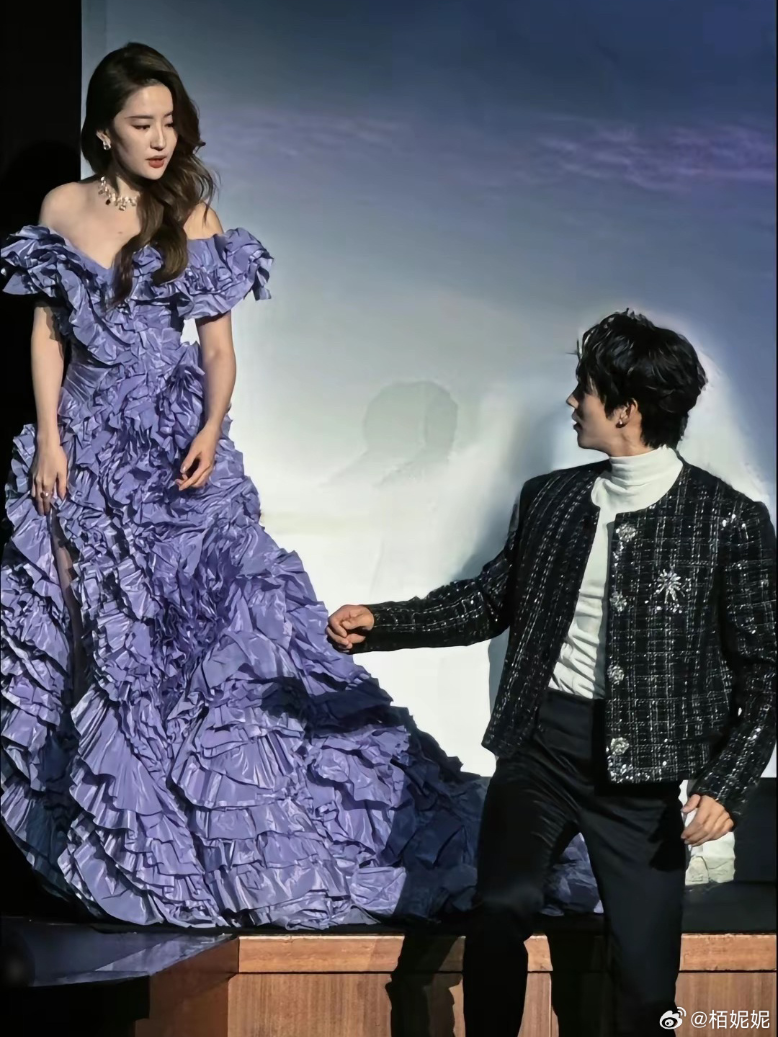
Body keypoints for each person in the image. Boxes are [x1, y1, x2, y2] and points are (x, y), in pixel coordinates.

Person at [0, 42, 598, 930]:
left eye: (170, 123)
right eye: (142, 124)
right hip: (80, 455)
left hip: (173, 457)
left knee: (209, 646)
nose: (161, 140)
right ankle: (125, 836)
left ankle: (230, 827)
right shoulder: (61, 207)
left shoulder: (192, 212)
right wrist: (50, 440)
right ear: (103, 134)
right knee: (91, 641)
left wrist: (210, 428)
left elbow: (218, 350)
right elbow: (49, 331)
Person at [328, 311, 777, 1036]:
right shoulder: (552, 498)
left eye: (585, 388)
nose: (573, 401)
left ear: (627, 409)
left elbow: (764, 668)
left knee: (646, 982)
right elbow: (490, 600)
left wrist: (727, 784)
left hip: (640, 778)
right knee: (499, 909)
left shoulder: (727, 521)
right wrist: (384, 622)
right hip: (540, 746)